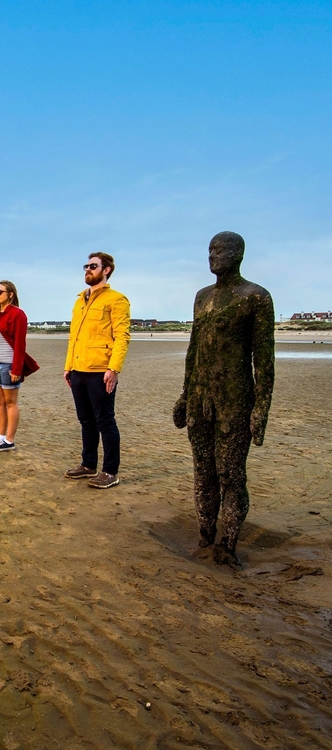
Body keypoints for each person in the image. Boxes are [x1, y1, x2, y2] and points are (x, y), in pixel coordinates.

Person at [173, 231, 275, 566]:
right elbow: (194, 349)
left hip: (235, 400)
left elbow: (264, 360)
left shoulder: (255, 297)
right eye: (210, 251)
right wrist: (185, 395)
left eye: (220, 250)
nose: (213, 256)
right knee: (203, 470)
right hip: (201, 398)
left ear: (238, 254)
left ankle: (228, 545)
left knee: (231, 473)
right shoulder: (202, 297)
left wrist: (260, 408)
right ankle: (205, 537)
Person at [64, 252, 130, 488]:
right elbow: (74, 337)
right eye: (86, 266)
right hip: (78, 369)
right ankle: (88, 465)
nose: (87, 270)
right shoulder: (80, 300)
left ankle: (110, 472)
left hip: (101, 370)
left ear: (107, 270)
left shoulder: (116, 299)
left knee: (105, 421)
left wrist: (114, 368)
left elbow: (122, 336)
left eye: (93, 266)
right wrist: (68, 366)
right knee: (86, 421)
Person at [0, 281, 39, 452]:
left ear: (10, 294)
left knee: (10, 402)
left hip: (9, 363)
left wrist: (17, 369)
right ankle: (0, 437)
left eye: (0, 291)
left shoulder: (17, 314)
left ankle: (9, 440)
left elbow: (20, 344)